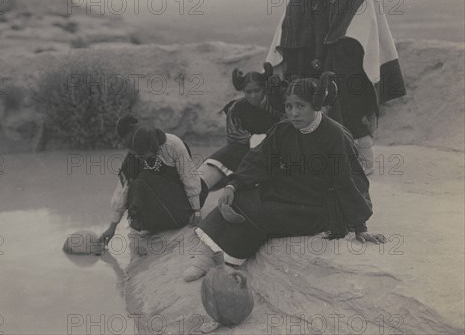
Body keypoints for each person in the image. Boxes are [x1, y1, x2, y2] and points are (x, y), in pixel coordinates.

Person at [183, 73, 387, 282]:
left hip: (316, 205)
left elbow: (349, 180)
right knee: (240, 198)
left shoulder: (335, 135)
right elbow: (259, 159)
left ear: (315, 105)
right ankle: (205, 257)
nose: (293, 113)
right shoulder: (283, 129)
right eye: (289, 106)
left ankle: (227, 265)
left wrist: (360, 226)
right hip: (287, 191)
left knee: (260, 210)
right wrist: (233, 186)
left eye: (300, 106)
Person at [317, 0, 407, 174]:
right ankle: (351, 160)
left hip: (357, 62)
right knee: (341, 109)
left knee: (357, 112)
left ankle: (367, 163)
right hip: (342, 61)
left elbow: (363, 27)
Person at [100, 115, 208, 245]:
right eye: (135, 154)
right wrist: (112, 227)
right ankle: (143, 227)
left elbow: (189, 177)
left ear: (152, 147)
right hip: (158, 205)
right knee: (136, 183)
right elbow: (124, 189)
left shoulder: (173, 145)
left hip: (179, 205)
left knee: (143, 180)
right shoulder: (135, 155)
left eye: (142, 155)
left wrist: (196, 212)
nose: (139, 158)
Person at [198, 63, 285, 191]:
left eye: (257, 90)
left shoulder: (276, 105)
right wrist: (254, 140)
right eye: (248, 92)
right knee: (210, 170)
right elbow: (234, 135)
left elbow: (285, 128)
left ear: (264, 89)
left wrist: (265, 141)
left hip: (274, 151)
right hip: (243, 149)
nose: (253, 95)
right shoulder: (236, 108)